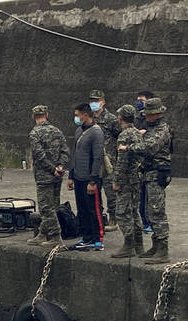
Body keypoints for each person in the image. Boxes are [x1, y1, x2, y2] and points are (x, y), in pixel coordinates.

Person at [120, 97, 173, 264]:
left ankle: (163, 249)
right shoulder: (152, 128)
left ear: (156, 114)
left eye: (148, 115)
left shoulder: (162, 129)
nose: (146, 117)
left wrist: (129, 147)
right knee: (150, 211)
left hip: (158, 173)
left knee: (157, 211)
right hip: (150, 173)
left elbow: (149, 148)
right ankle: (156, 246)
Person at [27, 105, 70, 248]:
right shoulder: (57, 131)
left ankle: (55, 236)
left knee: (46, 207)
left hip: (44, 176)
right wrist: (60, 167)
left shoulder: (34, 133)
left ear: (34, 117)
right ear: (47, 114)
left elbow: (39, 156)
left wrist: (52, 169)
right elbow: (65, 151)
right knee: (54, 206)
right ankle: (42, 233)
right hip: (57, 175)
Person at [67, 103, 105, 251]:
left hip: (90, 178)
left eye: (78, 115)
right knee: (82, 209)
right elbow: (75, 155)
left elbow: (97, 157)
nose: (76, 118)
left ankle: (98, 239)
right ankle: (86, 236)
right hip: (78, 177)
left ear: (85, 114)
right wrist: (71, 175)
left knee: (94, 209)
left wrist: (93, 180)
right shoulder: (78, 131)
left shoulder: (96, 132)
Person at [111, 105, 145, 258]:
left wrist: (116, 180)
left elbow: (122, 161)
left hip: (126, 180)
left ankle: (128, 245)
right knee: (134, 211)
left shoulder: (124, 136)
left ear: (121, 118)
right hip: (137, 179)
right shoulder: (137, 133)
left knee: (123, 212)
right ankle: (139, 245)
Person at [89, 90, 121, 231]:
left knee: (110, 192)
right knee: (95, 191)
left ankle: (113, 219)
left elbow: (120, 137)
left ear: (103, 101)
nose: (94, 103)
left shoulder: (111, 119)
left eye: (97, 100)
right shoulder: (89, 118)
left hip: (108, 162)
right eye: (92, 100)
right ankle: (99, 217)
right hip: (93, 162)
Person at [134, 90, 155, 232]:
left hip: (150, 164)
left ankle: (149, 222)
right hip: (138, 163)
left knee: (149, 196)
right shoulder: (137, 118)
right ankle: (142, 220)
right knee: (139, 195)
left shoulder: (153, 122)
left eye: (141, 100)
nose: (139, 102)